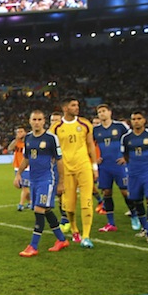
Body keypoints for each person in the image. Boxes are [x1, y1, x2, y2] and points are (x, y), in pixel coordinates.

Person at [14, 110, 69, 256]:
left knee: (38, 210)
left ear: (44, 121)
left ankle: (33, 246)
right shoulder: (28, 138)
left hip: (47, 179)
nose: (37, 122)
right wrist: (18, 174)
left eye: (39, 119)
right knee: (45, 210)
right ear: (30, 121)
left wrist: (61, 182)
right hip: (34, 180)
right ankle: (61, 240)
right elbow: (26, 159)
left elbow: (59, 160)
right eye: (34, 119)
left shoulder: (51, 138)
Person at [50, 98, 97, 248]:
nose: (77, 107)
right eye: (73, 105)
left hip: (84, 166)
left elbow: (91, 145)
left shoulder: (85, 124)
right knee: (69, 206)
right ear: (65, 107)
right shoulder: (56, 127)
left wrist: (94, 167)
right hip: (66, 169)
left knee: (86, 201)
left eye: (77, 105)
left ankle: (86, 236)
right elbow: (52, 149)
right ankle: (75, 229)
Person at [92, 104, 140, 232]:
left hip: (119, 165)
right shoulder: (95, 130)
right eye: (99, 112)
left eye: (103, 111)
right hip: (104, 166)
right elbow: (89, 146)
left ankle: (134, 215)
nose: (101, 113)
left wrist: (126, 157)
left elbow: (133, 139)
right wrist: (95, 158)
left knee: (125, 191)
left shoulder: (120, 126)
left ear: (110, 112)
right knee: (107, 193)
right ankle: (110, 223)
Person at [119, 111, 148, 244]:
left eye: (139, 118)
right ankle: (144, 228)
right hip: (133, 174)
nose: (136, 121)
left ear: (144, 120)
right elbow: (125, 156)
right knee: (136, 200)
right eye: (133, 119)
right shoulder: (126, 138)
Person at [8, 126, 30, 211]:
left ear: (25, 132)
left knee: (24, 187)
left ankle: (21, 204)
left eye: (21, 131)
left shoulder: (28, 142)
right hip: (17, 167)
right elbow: (10, 148)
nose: (19, 133)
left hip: (26, 167)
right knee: (18, 185)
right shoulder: (16, 142)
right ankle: (31, 202)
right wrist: (16, 139)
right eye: (18, 132)